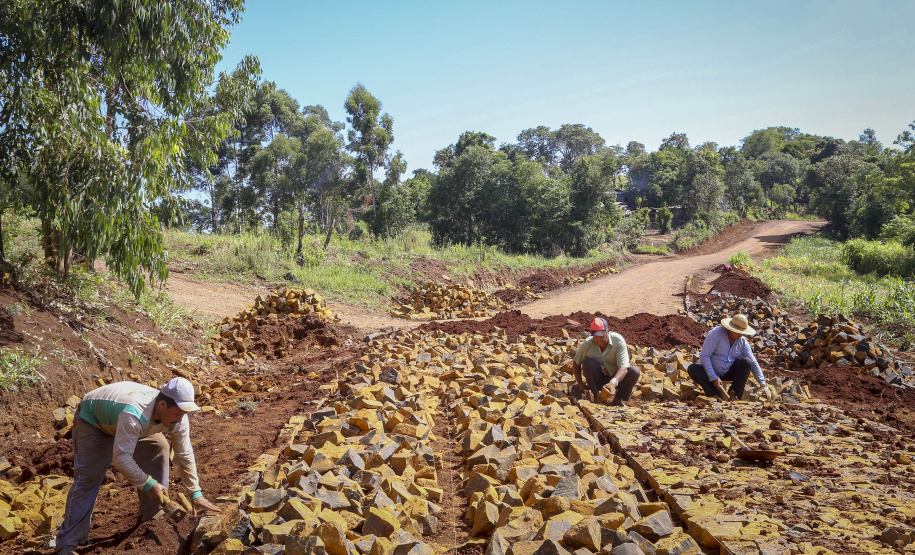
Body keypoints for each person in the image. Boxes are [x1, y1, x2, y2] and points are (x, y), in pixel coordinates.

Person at [56, 377, 220, 555]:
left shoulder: (178, 417)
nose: (181, 419)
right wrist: (148, 484)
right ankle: (67, 543)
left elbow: (185, 453)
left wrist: (195, 493)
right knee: (88, 478)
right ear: (163, 404)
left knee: (159, 448)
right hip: (95, 421)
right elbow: (121, 459)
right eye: (178, 414)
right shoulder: (134, 414)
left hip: (132, 422)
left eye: (183, 414)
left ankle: (153, 518)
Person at [687, 314, 774, 402]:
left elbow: (753, 362)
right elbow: (704, 356)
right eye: (738, 331)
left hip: (728, 371)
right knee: (693, 369)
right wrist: (713, 377)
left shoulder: (742, 342)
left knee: (746, 362)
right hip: (710, 372)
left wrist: (763, 384)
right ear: (730, 328)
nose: (740, 334)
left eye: (742, 332)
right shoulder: (715, 334)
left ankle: (735, 396)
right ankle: (716, 395)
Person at [572, 317, 641, 406]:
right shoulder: (587, 344)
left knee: (634, 371)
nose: (598, 340)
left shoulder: (618, 341)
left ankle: (618, 400)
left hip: (616, 379)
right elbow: (576, 362)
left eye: (601, 336)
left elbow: (623, 368)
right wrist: (580, 383)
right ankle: (597, 397)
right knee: (588, 363)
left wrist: (612, 383)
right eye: (595, 337)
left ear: (607, 331)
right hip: (598, 379)